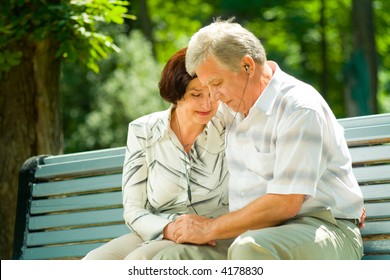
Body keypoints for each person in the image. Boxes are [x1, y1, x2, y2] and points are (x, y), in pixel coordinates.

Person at [153, 18, 365, 260]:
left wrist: (209, 228)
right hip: (250, 231)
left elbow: (285, 203)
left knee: (249, 249)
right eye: (206, 86)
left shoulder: (299, 108)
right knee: (173, 259)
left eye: (216, 83)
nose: (213, 96)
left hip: (322, 228)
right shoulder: (231, 108)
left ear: (247, 66)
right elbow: (186, 121)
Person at [83, 47, 230, 260]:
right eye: (196, 94)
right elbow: (133, 209)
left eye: (212, 93)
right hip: (158, 230)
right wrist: (170, 229)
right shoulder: (143, 131)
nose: (207, 104)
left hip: (213, 234)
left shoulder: (229, 127)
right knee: (94, 262)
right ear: (176, 95)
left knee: (138, 262)